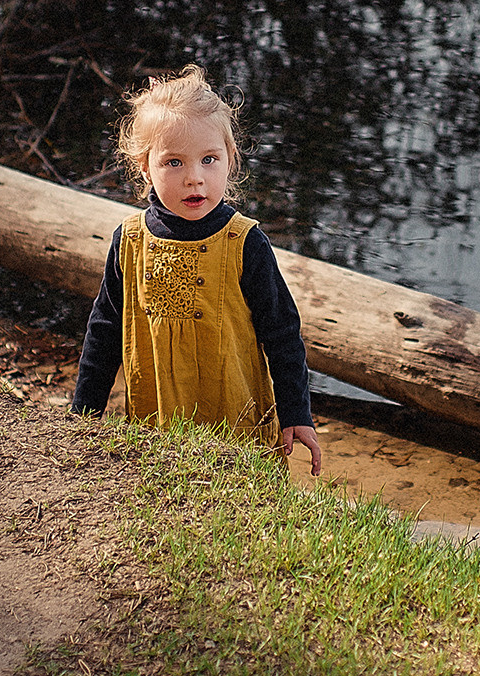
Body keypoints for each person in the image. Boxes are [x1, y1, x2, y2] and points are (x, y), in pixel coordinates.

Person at [70, 65, 324, 475]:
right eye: (173, 162)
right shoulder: (131, 241)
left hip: (236, 424)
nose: (195, 178)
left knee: (242, 514)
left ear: (230, 160)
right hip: (156, 423)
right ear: (144, 167)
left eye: (209, 160)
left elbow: (281, 334)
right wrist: (83, 415)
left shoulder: (245, 244)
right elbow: (104, 331)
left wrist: (296, 412)